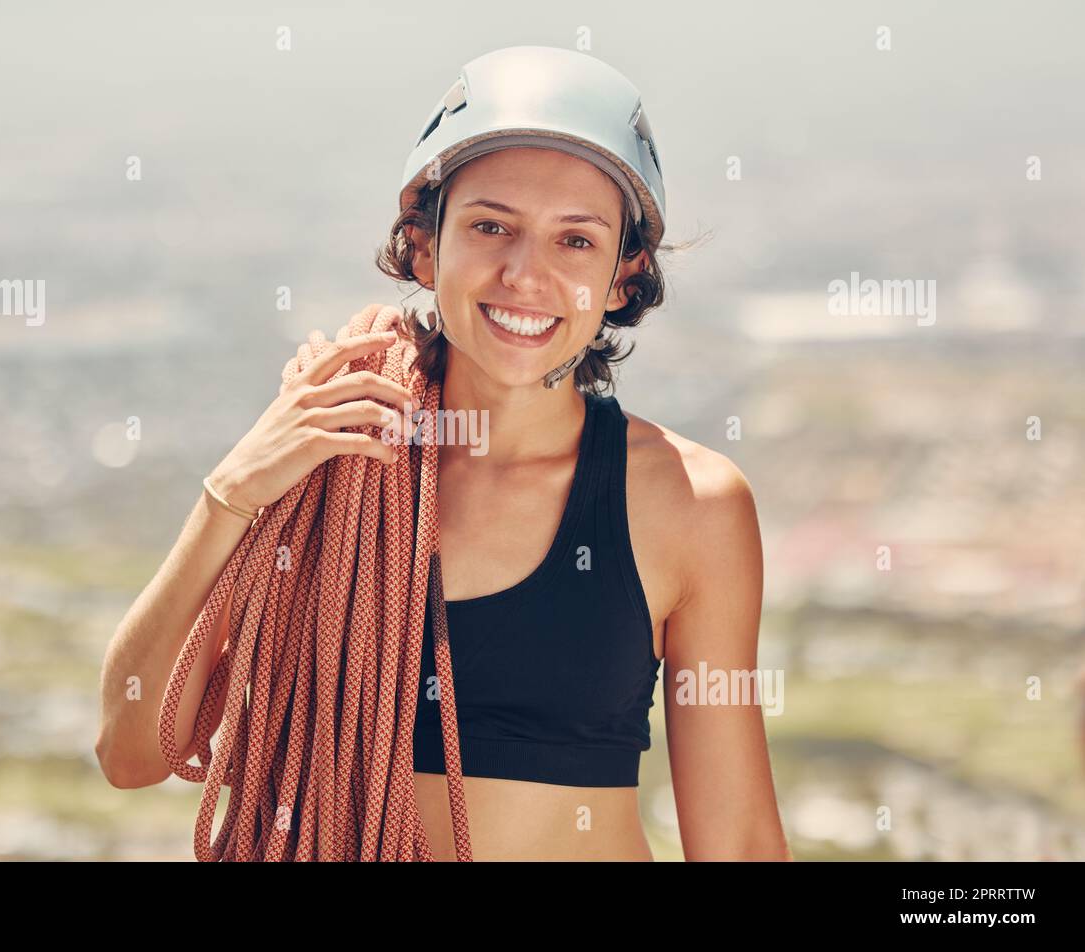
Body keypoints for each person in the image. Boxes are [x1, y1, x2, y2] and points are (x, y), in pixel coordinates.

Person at [96, 45, 790, 861]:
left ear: (622, 278)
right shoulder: (325, 466)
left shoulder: (692, 504)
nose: (525, 274)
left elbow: (737, 840)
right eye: (490, 226)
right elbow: (133, 751)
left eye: (575, 241)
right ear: (424, 247)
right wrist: (232, 491)